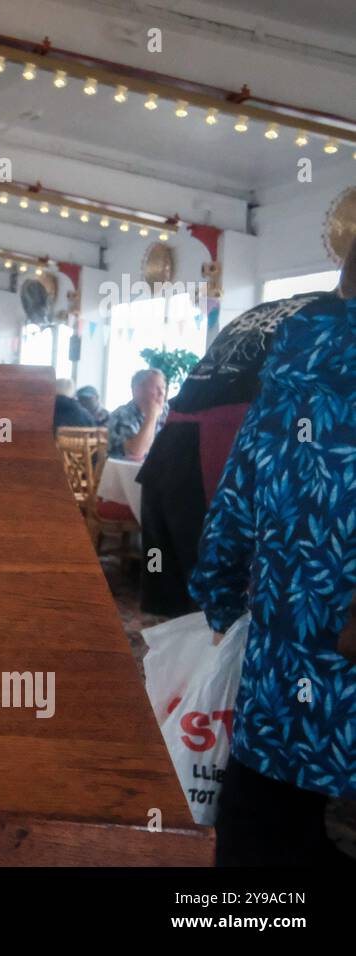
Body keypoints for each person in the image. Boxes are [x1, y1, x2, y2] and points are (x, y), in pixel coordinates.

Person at [189, 261, 356, 866]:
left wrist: (220, 596)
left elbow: (234, 505)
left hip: (290, 641)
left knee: (264, 820)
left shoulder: (289, 368)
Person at [138, 290, 330, 615]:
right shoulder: (332, 318)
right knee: (217, 591)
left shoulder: (267, 310)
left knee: (170, 584)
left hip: (170, 444)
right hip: (219, 442)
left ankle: (172, 658)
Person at [107, 368, 166, 460]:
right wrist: (151, 417)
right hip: (127, 472)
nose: (162, 393)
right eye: (156, 388)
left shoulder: (168, 412)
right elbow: (135, 453)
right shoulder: (121, 415)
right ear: (138, 390)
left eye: (163, 388)